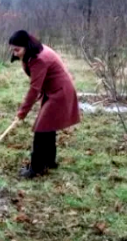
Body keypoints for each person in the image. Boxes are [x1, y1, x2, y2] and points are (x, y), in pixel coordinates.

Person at [10, 30, 81, 179]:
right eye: (13, 49)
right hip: (53, 91)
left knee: (41, 129)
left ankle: (36, 169)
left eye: (17, 50)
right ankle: (49, 161)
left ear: (26, 46)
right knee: (48, 127)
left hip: (60, 93)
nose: (15, 53)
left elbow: (34, 88)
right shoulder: (33, 51)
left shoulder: (39, 59)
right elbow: (39, 83)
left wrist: (21, 113)